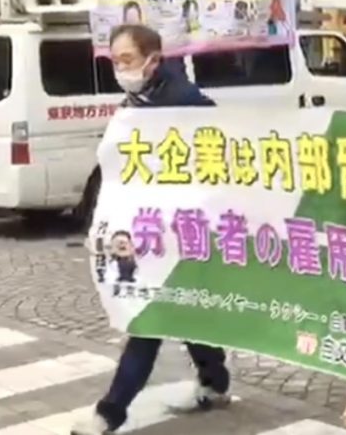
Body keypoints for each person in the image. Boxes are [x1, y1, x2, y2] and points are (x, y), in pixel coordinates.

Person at [71, 25, 230, 435]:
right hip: (152, 232)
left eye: (127, 60)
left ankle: (110, 413)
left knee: (148, 320)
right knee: (183, 307)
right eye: (115, 61)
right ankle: (215, 381)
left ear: (153, 60)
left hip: (182, 230)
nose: (120, 68)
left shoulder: (184, 102)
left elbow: (217, 153)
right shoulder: (139, 99)